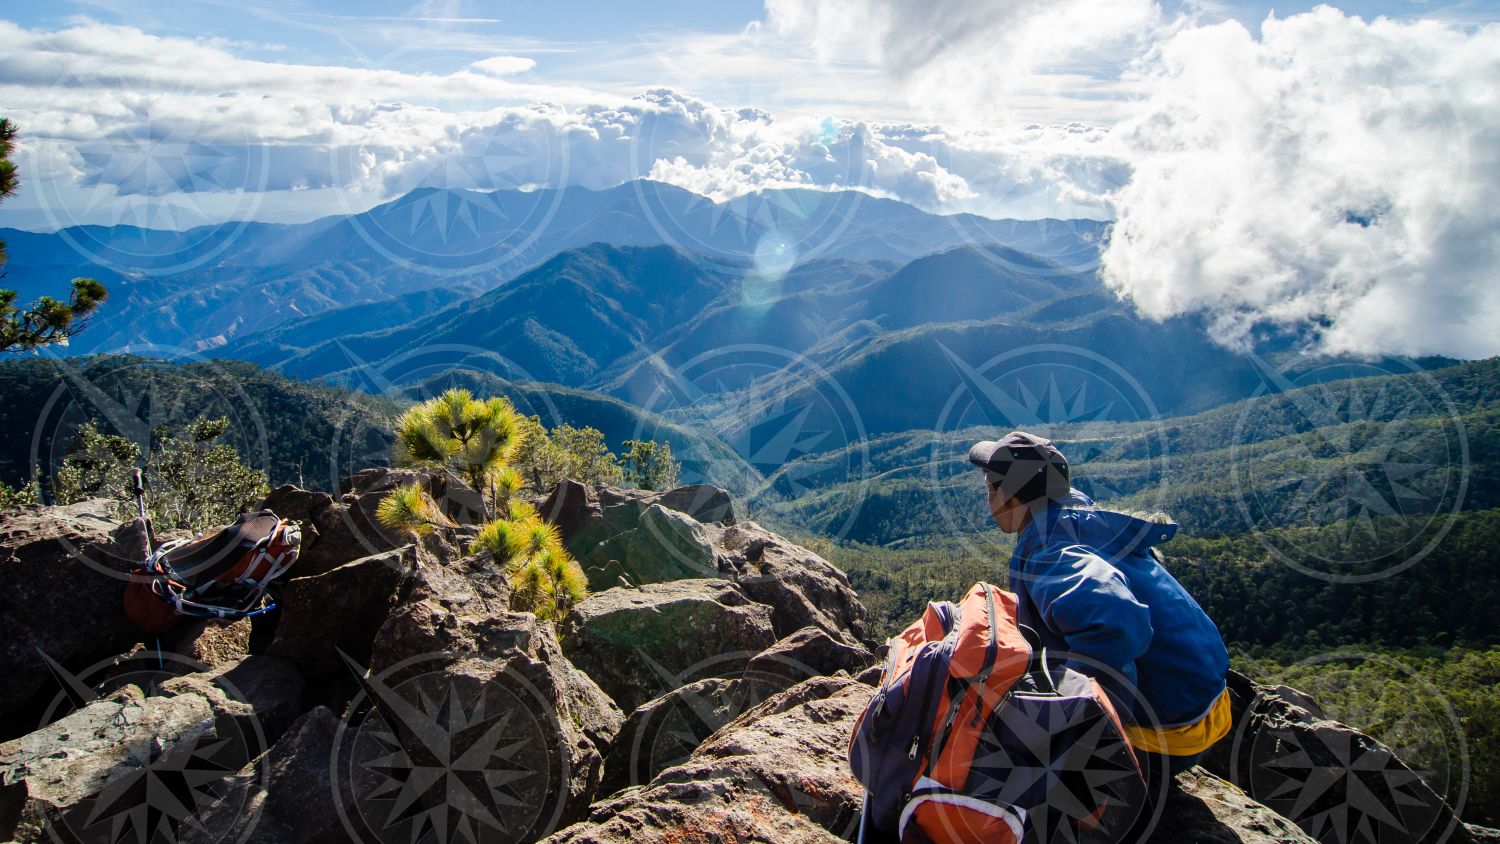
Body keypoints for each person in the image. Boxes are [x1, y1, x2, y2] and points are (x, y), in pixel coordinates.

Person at [968, 430, 1232, 793]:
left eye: (990, 488)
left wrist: (1080, 732)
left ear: (1013, 496)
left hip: (1167, 735)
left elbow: (1117, 623)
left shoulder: (1050, 553)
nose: (988, 499)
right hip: (1208, 703)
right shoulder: (1082, 519)